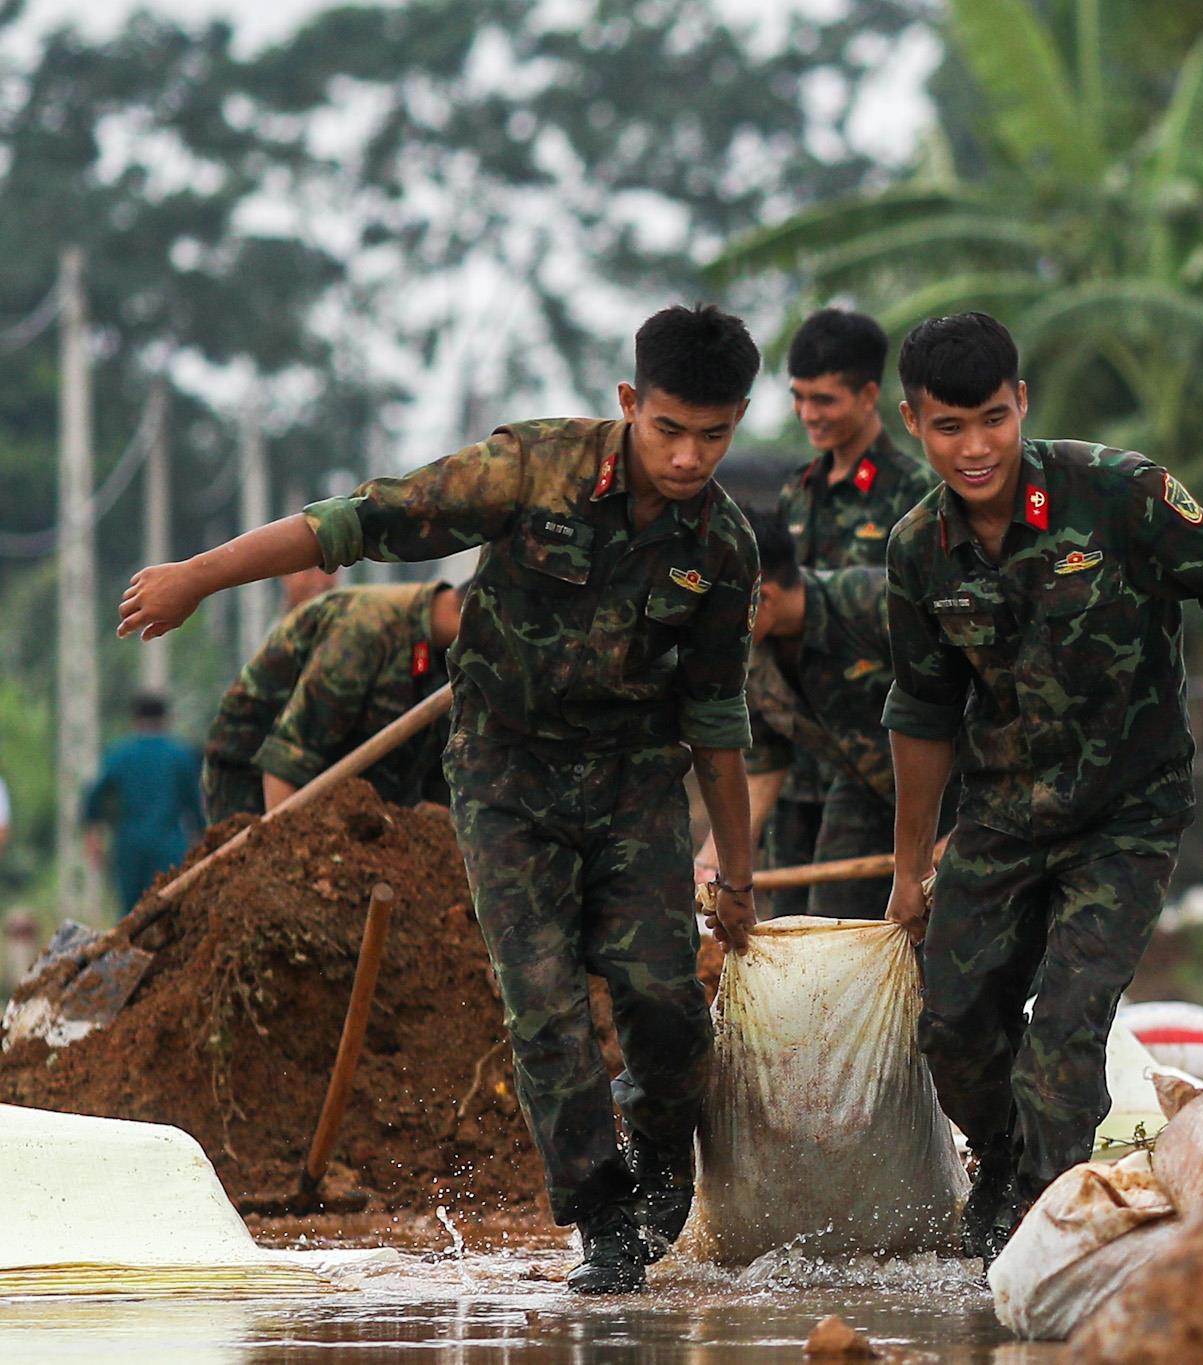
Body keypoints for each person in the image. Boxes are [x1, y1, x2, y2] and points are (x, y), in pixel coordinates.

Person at [116, 304, 764, 1296]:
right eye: (668, 429)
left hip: (634, 778)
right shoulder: (529, 468)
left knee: (662, 1001)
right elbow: (357, 522)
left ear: (737, 421)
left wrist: (737, 875)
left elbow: (716, 720)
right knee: (543, 1005)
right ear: (629, 403)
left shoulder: (722, 546)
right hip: (505, 770)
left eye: (712, 436)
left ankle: (662, 1153)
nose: (687, 456)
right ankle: (599, 1217)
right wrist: (196, 577)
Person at [877, 313, 1203, 1261]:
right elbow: (921, 714)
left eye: (993, 420)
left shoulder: (1119, 493)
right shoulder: (919, 549)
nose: (975, 448)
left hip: (1126, 813)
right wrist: (911, 866)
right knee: (954, 1027)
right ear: (914, 421)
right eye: (949, 427)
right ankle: (1002, 1169)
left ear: (1023, 404)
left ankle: (1042, 1234)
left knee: (1068, 1030)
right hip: (1001, 816)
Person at [701, 509, 941, 919]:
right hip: (864, 792)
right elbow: (763, 766)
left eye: (715, 614)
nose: (707, 630)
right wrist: (712, 861)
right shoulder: (749, 660)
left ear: (765, 597)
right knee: (832, 925)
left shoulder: (873, 601)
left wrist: (967, 828)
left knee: (958, 932)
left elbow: (978, 700)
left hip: (952, 787)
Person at [767, 309, 936, 885]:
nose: (808, 414)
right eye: (798, 397)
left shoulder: (915, 495)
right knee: (781, 935)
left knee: (847, 931)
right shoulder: (798, 491)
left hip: (873, 762)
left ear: (868, 395)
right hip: (795, 760)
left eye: (824, 399)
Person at [202, 580, 461, 822]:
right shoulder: (363, 631)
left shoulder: (442, 656)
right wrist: (290, 856)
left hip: (361, 794)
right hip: (259, 788)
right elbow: (286, 762)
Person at [83, 695, 204, 914]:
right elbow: (194, 805)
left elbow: (95, 795)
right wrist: (201, 839)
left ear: (134, 719)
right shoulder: (181, 755)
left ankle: (126, 948)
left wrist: (93, 833)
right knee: (170, 912)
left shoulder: (120, 755)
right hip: (171, 845)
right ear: (166, 719)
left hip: (130, 845)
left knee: (131, 915)